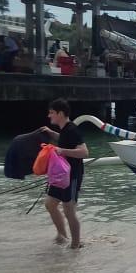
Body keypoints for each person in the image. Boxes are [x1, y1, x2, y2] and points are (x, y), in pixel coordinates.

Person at [40, 99, 88, 249]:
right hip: (60, 176)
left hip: (72, 176)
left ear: (60, 113)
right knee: (50, 204)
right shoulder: (65, 130)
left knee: (69, 210)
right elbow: (64, 140)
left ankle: (75, 245)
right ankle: (62, 235)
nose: (49, 115)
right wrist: (51, 133)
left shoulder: (72, 129)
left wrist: (62, 151)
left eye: (51, 113)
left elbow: (84, 152)